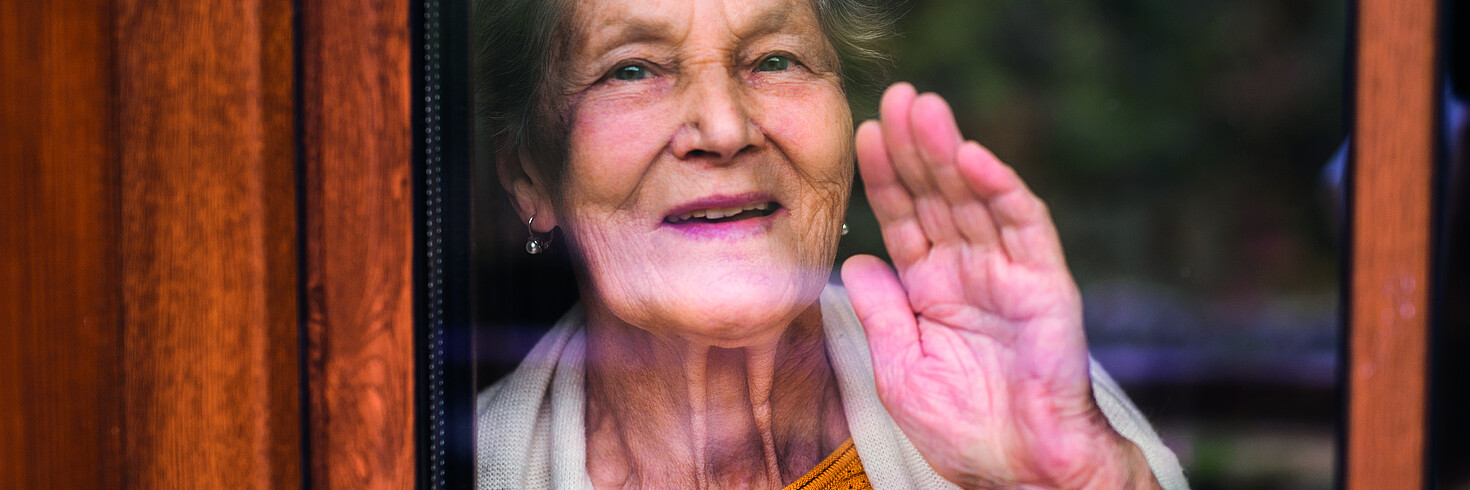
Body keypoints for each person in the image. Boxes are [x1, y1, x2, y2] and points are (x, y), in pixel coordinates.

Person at [473, 0, 1188, 488]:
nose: (725, 129)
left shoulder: (989, 382)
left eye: (776, 60)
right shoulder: (451, 464)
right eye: (631, 69)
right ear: (531, 176)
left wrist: (1080, 478)